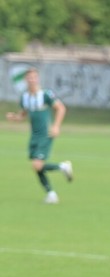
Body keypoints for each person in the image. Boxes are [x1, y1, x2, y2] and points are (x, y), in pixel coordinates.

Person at [5, 67, 73, 204]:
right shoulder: (25, 97)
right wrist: (15, 117)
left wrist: (56, 126)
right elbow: (23, 115)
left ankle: (63, 167)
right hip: (34, 135)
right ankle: (51, 194)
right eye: (29, 77)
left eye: (34, 77)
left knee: (37, 165)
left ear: (38, 78)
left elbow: (60, 108)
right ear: (26, 80)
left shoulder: (45, 94)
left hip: (45, 134)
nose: (32, 80)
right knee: (37, 166)